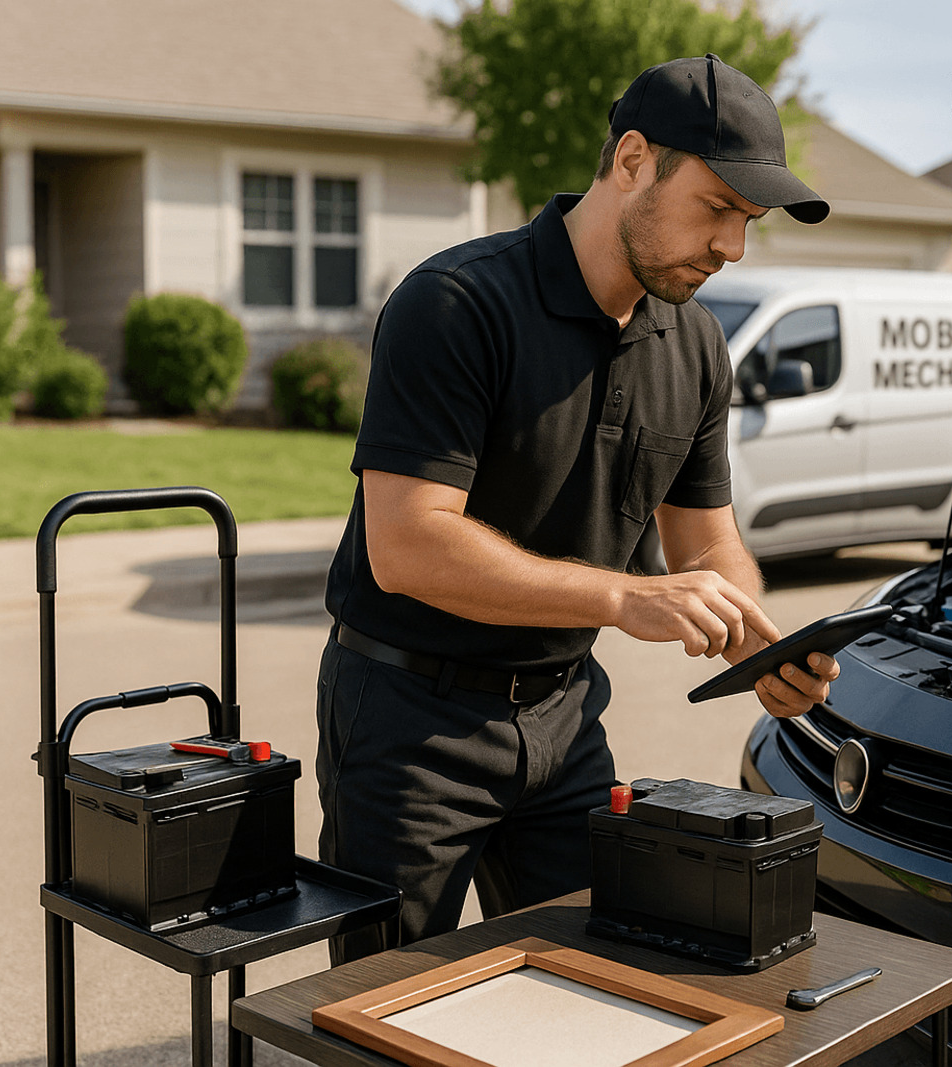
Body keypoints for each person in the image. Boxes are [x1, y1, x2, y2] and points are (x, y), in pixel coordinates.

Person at [314, 53, 836, 963]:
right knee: (382, 1016)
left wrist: (758, 636)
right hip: (408, 723)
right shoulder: (456, 303)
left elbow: (709, 540)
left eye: (748, 223)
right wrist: (624, 598)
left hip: (563, 723)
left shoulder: (698, 341)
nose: (732, 248)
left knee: (592, 983)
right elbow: (406, 544)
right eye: (717, 209)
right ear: (632, 158)